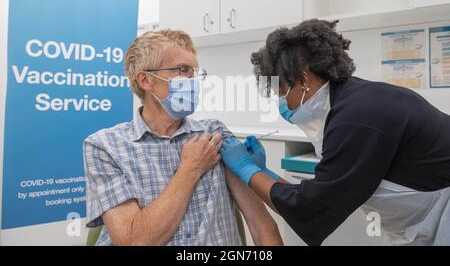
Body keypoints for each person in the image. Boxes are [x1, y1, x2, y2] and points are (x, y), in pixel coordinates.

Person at [220, 19, 450, 246]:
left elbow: (309, 207)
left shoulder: (358, 118)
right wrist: (263, 172)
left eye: (281, 92)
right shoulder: (350, 103)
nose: (281, 102)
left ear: (303, 79)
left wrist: (246, 169)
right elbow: (316, 193)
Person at [83, 30, 283, 246]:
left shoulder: (214, 135)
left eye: (195, 72)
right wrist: (191, 169)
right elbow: (133, 241)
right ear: (145, 80)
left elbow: (262, 227)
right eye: (182, 70)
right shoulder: (105, 146)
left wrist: (255, 170)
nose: (193, 81)